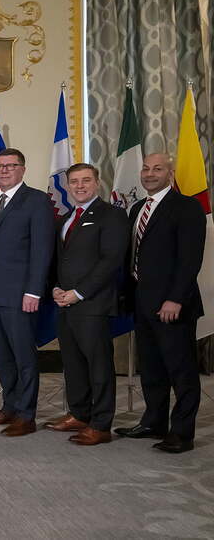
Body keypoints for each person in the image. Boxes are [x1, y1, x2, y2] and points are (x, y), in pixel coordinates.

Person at [114, 153, 205, 453]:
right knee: (151, 367)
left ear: (170, 173)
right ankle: (154, 422)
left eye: (157, 169)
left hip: (172, 306)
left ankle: (182, 433)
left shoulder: (187, 207)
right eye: (146, 168)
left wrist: (175, 299)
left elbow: (190, 259)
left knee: (181, 370)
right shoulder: (138, 208)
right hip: (142, 303)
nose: (150, 174)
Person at [45, 163, 128, 446]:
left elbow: (111, 261)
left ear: (97, 182)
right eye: (74, 182)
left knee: (99, 365)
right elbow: (61, 260)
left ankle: (101, 423)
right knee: (73, 363)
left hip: (92, 303)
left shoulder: (112, 215)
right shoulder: (66, 218)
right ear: (67, 185)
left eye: (85, 180)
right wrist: (56, 288)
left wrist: (78, 293)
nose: (79, 186)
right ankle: (79, 414)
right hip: (64, 303)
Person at [0, 149, 53, 437]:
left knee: (24, 357)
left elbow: (41, 250)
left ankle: (26, 414)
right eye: (0, 166)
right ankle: (9, 406)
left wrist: (34, 290)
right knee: (2, 357)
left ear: (23, 169)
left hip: (22, 294)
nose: (5, 170)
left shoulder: (36, 201)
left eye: (11, 166)